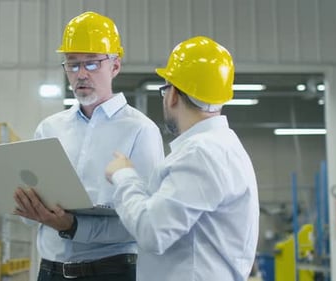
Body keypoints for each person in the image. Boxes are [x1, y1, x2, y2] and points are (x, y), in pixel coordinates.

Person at [13, 11, 164, 281]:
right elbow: (30, 218)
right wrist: (29, 208)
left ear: (115, 66)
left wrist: (73, 226)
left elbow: (147, 223)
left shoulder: (140, 130)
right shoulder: (49, 128)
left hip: (112, 271)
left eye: (92, 64)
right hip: (50, 271)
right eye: (73, 64)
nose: (81, 74)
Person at [105, 36, 259, 281]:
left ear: (173, 94)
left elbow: (153, 231)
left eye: (165, 88)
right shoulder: (224, 146)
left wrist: (124, 176)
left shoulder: (201, 153)